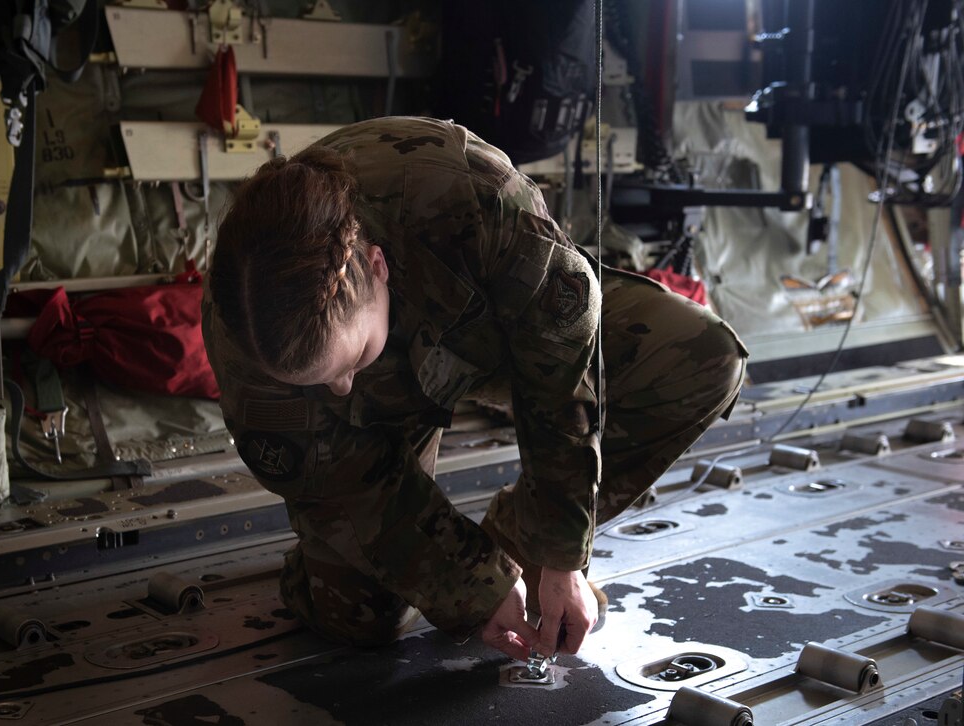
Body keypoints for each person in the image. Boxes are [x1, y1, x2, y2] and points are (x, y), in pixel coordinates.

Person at [202, 116, 747, 662]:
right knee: (366, 620)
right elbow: (348, 484)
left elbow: (559, 383)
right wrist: (476, 584)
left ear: (377, 265)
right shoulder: (247, 332)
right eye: (320, 381)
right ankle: (326, 565)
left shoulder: (471, 198)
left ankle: (520, 539)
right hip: (375, 420)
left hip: (489, 332)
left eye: (353, 361)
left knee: (702, 360)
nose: (341, 388)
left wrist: (560, 554)